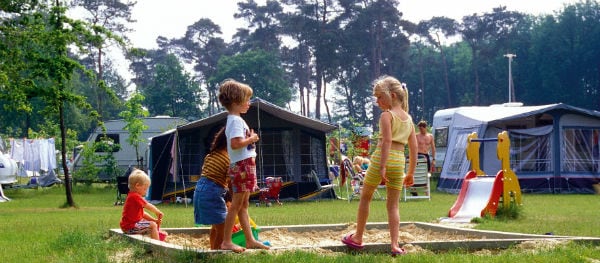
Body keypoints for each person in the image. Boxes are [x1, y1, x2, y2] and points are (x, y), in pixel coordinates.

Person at [341, 76, 417, 256]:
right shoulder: (409, 119)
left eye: (379, 97)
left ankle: (358, 237)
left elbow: (387, 142)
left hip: (382, 159)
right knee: (393, 205)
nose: (377, 101)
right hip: (399, 161)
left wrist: (382, 167)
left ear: (392, 95)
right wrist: (411, 172)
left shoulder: (386, 116)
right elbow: (413, 148)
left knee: (366, 196)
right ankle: (394, 245)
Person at [218, 79, 270, 252]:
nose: (249, 103)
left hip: (244, 165)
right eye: (246, 100)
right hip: (242, 167)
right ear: (235, 102)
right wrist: (252, 139)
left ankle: (250, 240)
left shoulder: (237, 120)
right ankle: (226, 241)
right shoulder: (235, 121)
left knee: (243, 205)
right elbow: (235, 143)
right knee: (236, 204)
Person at [193, 126, 231, 250]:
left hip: (200, 190)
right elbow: (229, 182)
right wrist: (231, 200)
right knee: (224, 228)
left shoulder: (211, 155)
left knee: (216, 226)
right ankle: (216, 254)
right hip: (212, 191)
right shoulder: (228, 159)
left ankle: (212, 249)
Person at [120, 169, 167, 241]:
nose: (146, 191)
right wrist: (157, 212)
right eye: (145, 189)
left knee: (150, 224)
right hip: (130, 227)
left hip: (128, 226)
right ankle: (157, 245)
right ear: (137, 185)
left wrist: (154, 220)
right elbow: (148, 205)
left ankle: (153, 237)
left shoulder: (131, 196)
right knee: (153, 225)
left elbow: (142, 214)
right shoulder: (135, 196)